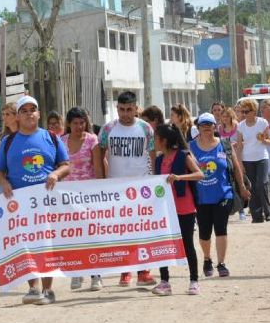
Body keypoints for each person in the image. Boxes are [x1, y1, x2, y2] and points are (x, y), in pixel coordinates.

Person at [0, 95, 70, 305]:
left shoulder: (51, 138)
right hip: (20, 204)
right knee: (25, 245)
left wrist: (56, 174)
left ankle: (48, 289)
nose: (29, 113)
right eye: (24, 110)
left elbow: (66, 164)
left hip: (46, 202)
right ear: (17, 116)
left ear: (39, 113)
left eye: (33, 109)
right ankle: (33, 288)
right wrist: (5, 184)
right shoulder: (8, 142)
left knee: (46, 244)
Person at [98, 91, 157, 288]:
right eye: (122, 110)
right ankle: (125, 271)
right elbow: (99, 153)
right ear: (117, 109)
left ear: (136, 108)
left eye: (129, 109)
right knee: (122, 231)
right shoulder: (108, 129)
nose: (125, 114)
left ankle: (144, 271)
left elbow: (152, 154)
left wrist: (155, 180)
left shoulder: (145, 128)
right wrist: (101, 180)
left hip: (141, 187)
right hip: (116, 188)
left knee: (142, 230)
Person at [190, 113, 250, 278]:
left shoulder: (224, 145)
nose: (207, 128)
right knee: (204, 232)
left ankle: (221, 263)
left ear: (215, 126)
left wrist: (243, 187)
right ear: (198, 127)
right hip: (201, 197)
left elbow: (236, 168)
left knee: (221, 229)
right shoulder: (190, 147)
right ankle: (207, 259)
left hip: (223, 194)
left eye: (210, 125)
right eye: (203, 125)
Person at [152, 124, 203, 296]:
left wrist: (180, 177)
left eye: (156, 138)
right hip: (165, 208)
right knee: (163, 244)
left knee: (187, 244)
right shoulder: (159, 159)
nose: (154, 141)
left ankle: (194, 280)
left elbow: (200, 174)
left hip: (184, 207)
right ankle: (165, 281)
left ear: (163, 140)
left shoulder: (183, 156)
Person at [62, 106, 104, 291]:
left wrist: (101, 192)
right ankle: (76, 273)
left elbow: (98, 167)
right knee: (72, 236)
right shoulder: (61, 141)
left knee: (91, 235)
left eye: (82, 123)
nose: (79, 126)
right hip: (67, 196)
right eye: (75, 123)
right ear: (69, 124)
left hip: (89, 195)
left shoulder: (92, 140)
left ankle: (96, 274)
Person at [236, 98, 270, 223]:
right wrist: (239, 163)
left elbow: (269, 140)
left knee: (262, 184)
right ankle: (257, 216)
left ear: (254, 111)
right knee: (251, 187)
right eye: (243, 112)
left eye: (247, 111)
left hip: (262, 157)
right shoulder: (240, 126)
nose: (244, 114)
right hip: (247, 159)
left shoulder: (263, 123)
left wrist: (263, 139)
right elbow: (239, 146)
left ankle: (268, 212)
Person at [219, 106, 247, 221]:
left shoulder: (237, 126)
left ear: (231, 117)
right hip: (225, 159)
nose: (224, 118)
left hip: (237, 157)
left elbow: (245, 140)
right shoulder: (220, 128)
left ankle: (242, 210)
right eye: (223, 116)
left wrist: (237, 144)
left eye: (227, 116)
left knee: (239, 183)